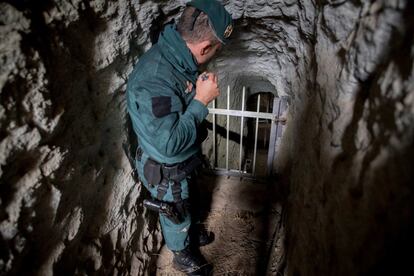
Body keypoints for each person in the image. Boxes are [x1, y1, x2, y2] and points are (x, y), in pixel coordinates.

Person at [126, 0, 233, 274]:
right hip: (166, 169)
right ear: (205, 48)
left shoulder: (177, 57)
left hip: (185, 162)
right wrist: (200, 101)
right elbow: (169, 145)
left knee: (190, 204)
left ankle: (190, 235)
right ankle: (181, 253)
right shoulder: (155, 78)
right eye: (215, 51)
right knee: (177, 213)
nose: (214, 55)